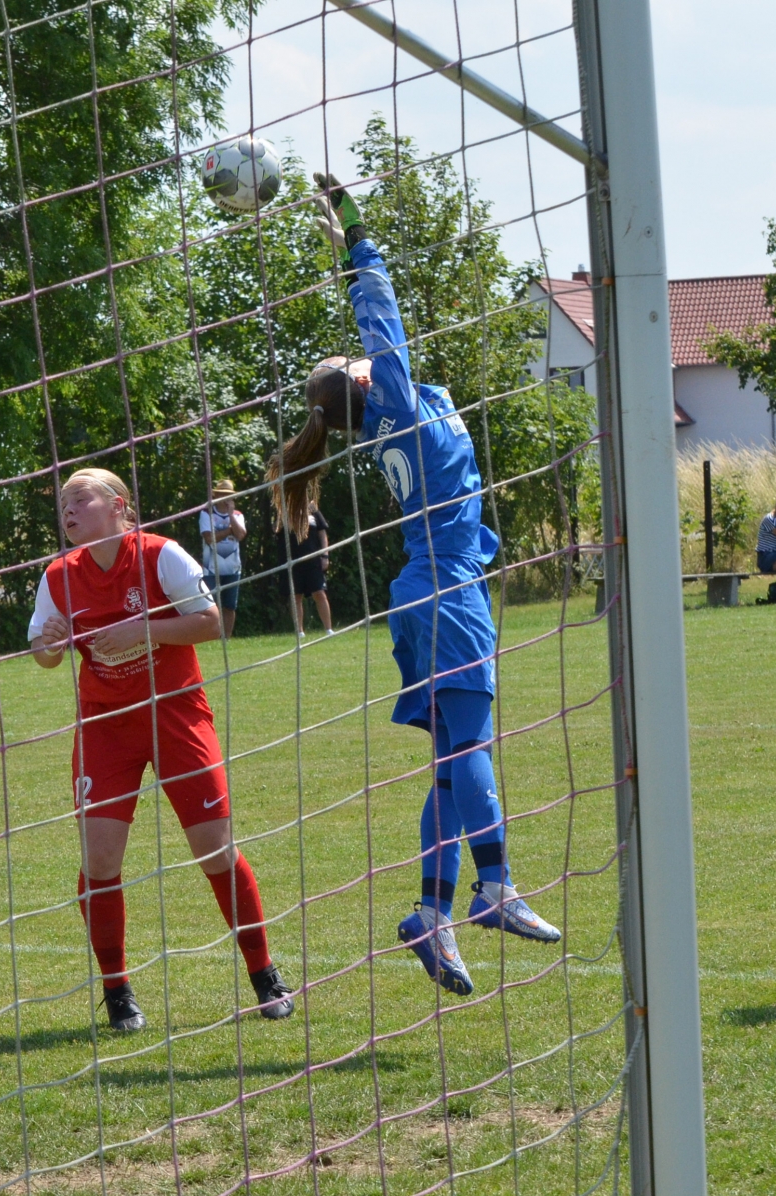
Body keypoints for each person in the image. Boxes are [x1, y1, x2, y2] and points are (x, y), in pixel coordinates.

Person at [268, 173, 562, 998]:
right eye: (361, 360)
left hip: (430, 590)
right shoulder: (395, 401)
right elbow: (381, 310)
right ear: (367, 383)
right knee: (471, 749)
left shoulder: (406, 408)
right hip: (446, 595)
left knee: (448, 763)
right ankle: (495, 886)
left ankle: (431, 912)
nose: (369, 354)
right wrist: (356, 238)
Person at [29, 467, 295, 1031]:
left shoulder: (161, 554)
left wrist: (142, 628)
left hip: (176, 715)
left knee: (214, 851)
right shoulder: (58, 576)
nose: (68, 510)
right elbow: (44, 655)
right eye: (63, 502)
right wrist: (50, 645)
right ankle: (117, 991)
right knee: (100, 862)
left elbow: (211, 622)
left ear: (118, 505)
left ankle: (264, 973)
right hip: (105, 726)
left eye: (80, 498)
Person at [198, 479, 246, 639]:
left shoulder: (238, 515)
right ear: (215, 495)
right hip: (211, 569)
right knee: (211, 605)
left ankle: (226, 638)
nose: (225, 499)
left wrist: (231, 516)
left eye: (228, 495)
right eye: (222, 495)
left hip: (233, 568)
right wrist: (229, 531)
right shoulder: (206, 514)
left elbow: (240, 535)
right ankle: (211, 637)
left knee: (230, 606)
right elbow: (209, 538)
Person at [288, 499, 334, 638]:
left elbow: (322, 534)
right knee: (296, 595)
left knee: (319, 593)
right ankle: (299, 632)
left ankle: (329, 630)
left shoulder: (313, 508)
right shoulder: (285, 507)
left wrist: (325, 556)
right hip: (293, 561)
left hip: (313, 560)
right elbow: (276, 530)